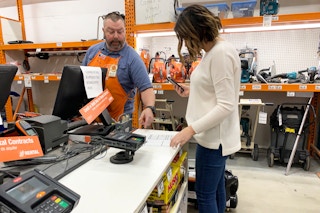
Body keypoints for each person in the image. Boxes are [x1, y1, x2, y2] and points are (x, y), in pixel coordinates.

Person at [169, 5, 241, 213]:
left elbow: (226, 105)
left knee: (205, 194)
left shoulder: (220, 53)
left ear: (196, 32)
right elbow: (213, 90)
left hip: (213, 141)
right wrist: (192, 90)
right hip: (209, 137)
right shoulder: (213, 52)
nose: (187, 44)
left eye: (186, 37)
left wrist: (189, 130)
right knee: (216, 190)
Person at [82, 11, 155, 128]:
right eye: (111, 32)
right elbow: (80, 81)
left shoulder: (132, 58)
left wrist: (149, 108)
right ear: (103, 32)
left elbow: (146, 88)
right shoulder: (92, 52)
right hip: (92, 120)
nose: (116, 36)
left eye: (120, 31)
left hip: (119, 122)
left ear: (125, 31)